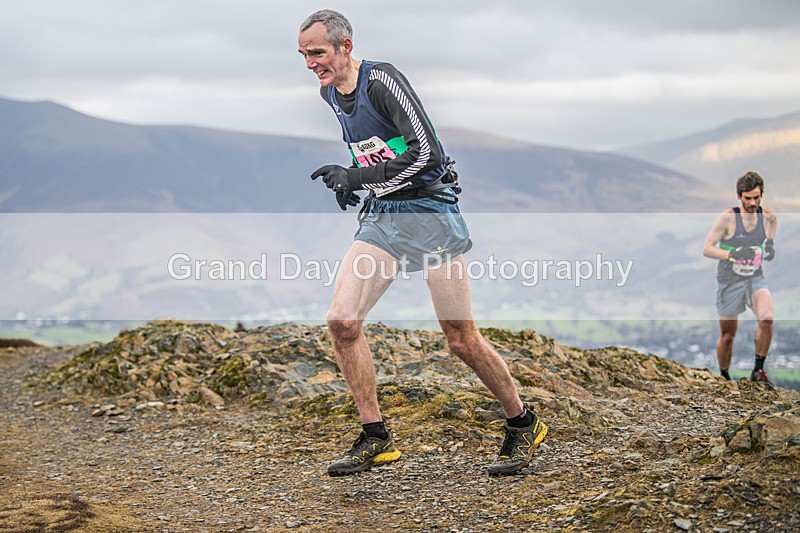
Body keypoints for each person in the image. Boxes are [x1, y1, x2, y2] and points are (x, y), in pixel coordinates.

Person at [298, 9, 547, 476]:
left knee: (460, 340)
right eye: (304, 55)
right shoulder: (329, 93)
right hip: (385, 218)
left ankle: (522, 422)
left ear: (345, 47)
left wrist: (358, 176)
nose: (311, 63)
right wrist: (358, 183)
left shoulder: (381, 81)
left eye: (318, 53)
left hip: (430, 213)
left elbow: (427, 154)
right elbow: (379, 150)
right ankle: (376, 437)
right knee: (342, 321)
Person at [703, 171, 778, 387]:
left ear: (761, 195)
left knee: (767, 319)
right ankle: (724, 376)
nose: (752, 203)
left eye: (756, 197)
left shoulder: (766, 214)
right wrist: (732, 254)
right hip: (729, 280)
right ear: (739, 196)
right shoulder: (728, 218)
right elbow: (707, 249)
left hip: (755, 276)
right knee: (728, 335)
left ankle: (758, 370)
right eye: (747, 198)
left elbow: (773, 221)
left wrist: (770, 242)